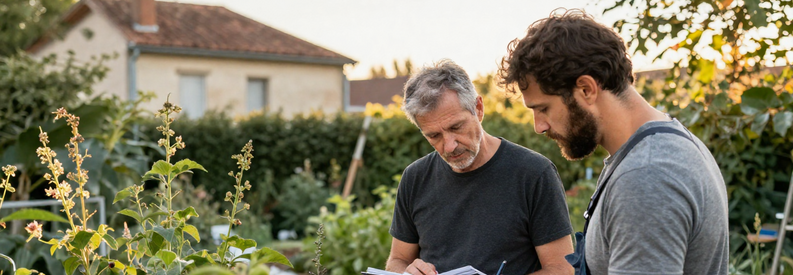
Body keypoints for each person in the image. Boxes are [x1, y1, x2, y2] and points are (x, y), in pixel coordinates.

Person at [498, 9, 729, 275]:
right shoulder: (664, 144)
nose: (539, 126)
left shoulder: (646, 176)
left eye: (544, 108)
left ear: (586, 89)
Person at [385, 59, 574, 275]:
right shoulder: (415, 178)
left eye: (456, 127)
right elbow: (398, 260)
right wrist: (407, 272)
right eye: (434, 136)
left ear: (479, 108)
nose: (449, 146)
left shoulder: (534, 174)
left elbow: (562, 269)